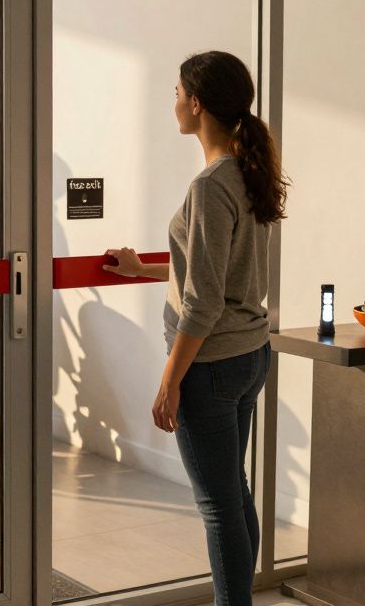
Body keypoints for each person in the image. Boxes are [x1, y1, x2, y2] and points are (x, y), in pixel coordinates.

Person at [104, 51, 288, 606]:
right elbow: (210, 271)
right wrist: (144, 269)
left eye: (178, 92)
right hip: (249, 355)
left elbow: (204, 301)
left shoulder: (211, 184)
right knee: (234, 496)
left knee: (218, 507)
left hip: (211, 366)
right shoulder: (246, 173)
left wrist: (170, 380)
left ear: (197, 103)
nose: (175, 102)